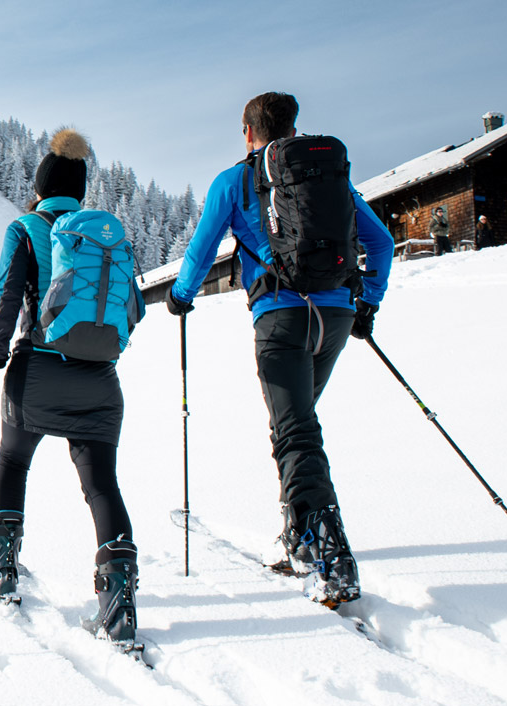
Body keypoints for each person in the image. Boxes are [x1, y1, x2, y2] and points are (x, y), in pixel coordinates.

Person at [164, 92, 394, 606]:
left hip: (280, 317)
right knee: (298, 423)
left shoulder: (234, 181)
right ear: (292, 127)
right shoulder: (327, 179)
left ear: (248, 131)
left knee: (295, 430)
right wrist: (366, 305)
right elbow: (381, 243)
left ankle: (324, 550)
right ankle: (300, 533)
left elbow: (201, 251)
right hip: (334, 316)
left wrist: (180, 297)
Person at [0, 128, 139, 643]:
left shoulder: (24, 228)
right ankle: (119, 603)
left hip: (36, 376)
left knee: (14, 462)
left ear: (39, 186)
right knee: (101, 485)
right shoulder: (104, 236)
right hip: (101, 383)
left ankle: (2, 570)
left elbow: (5, 301)